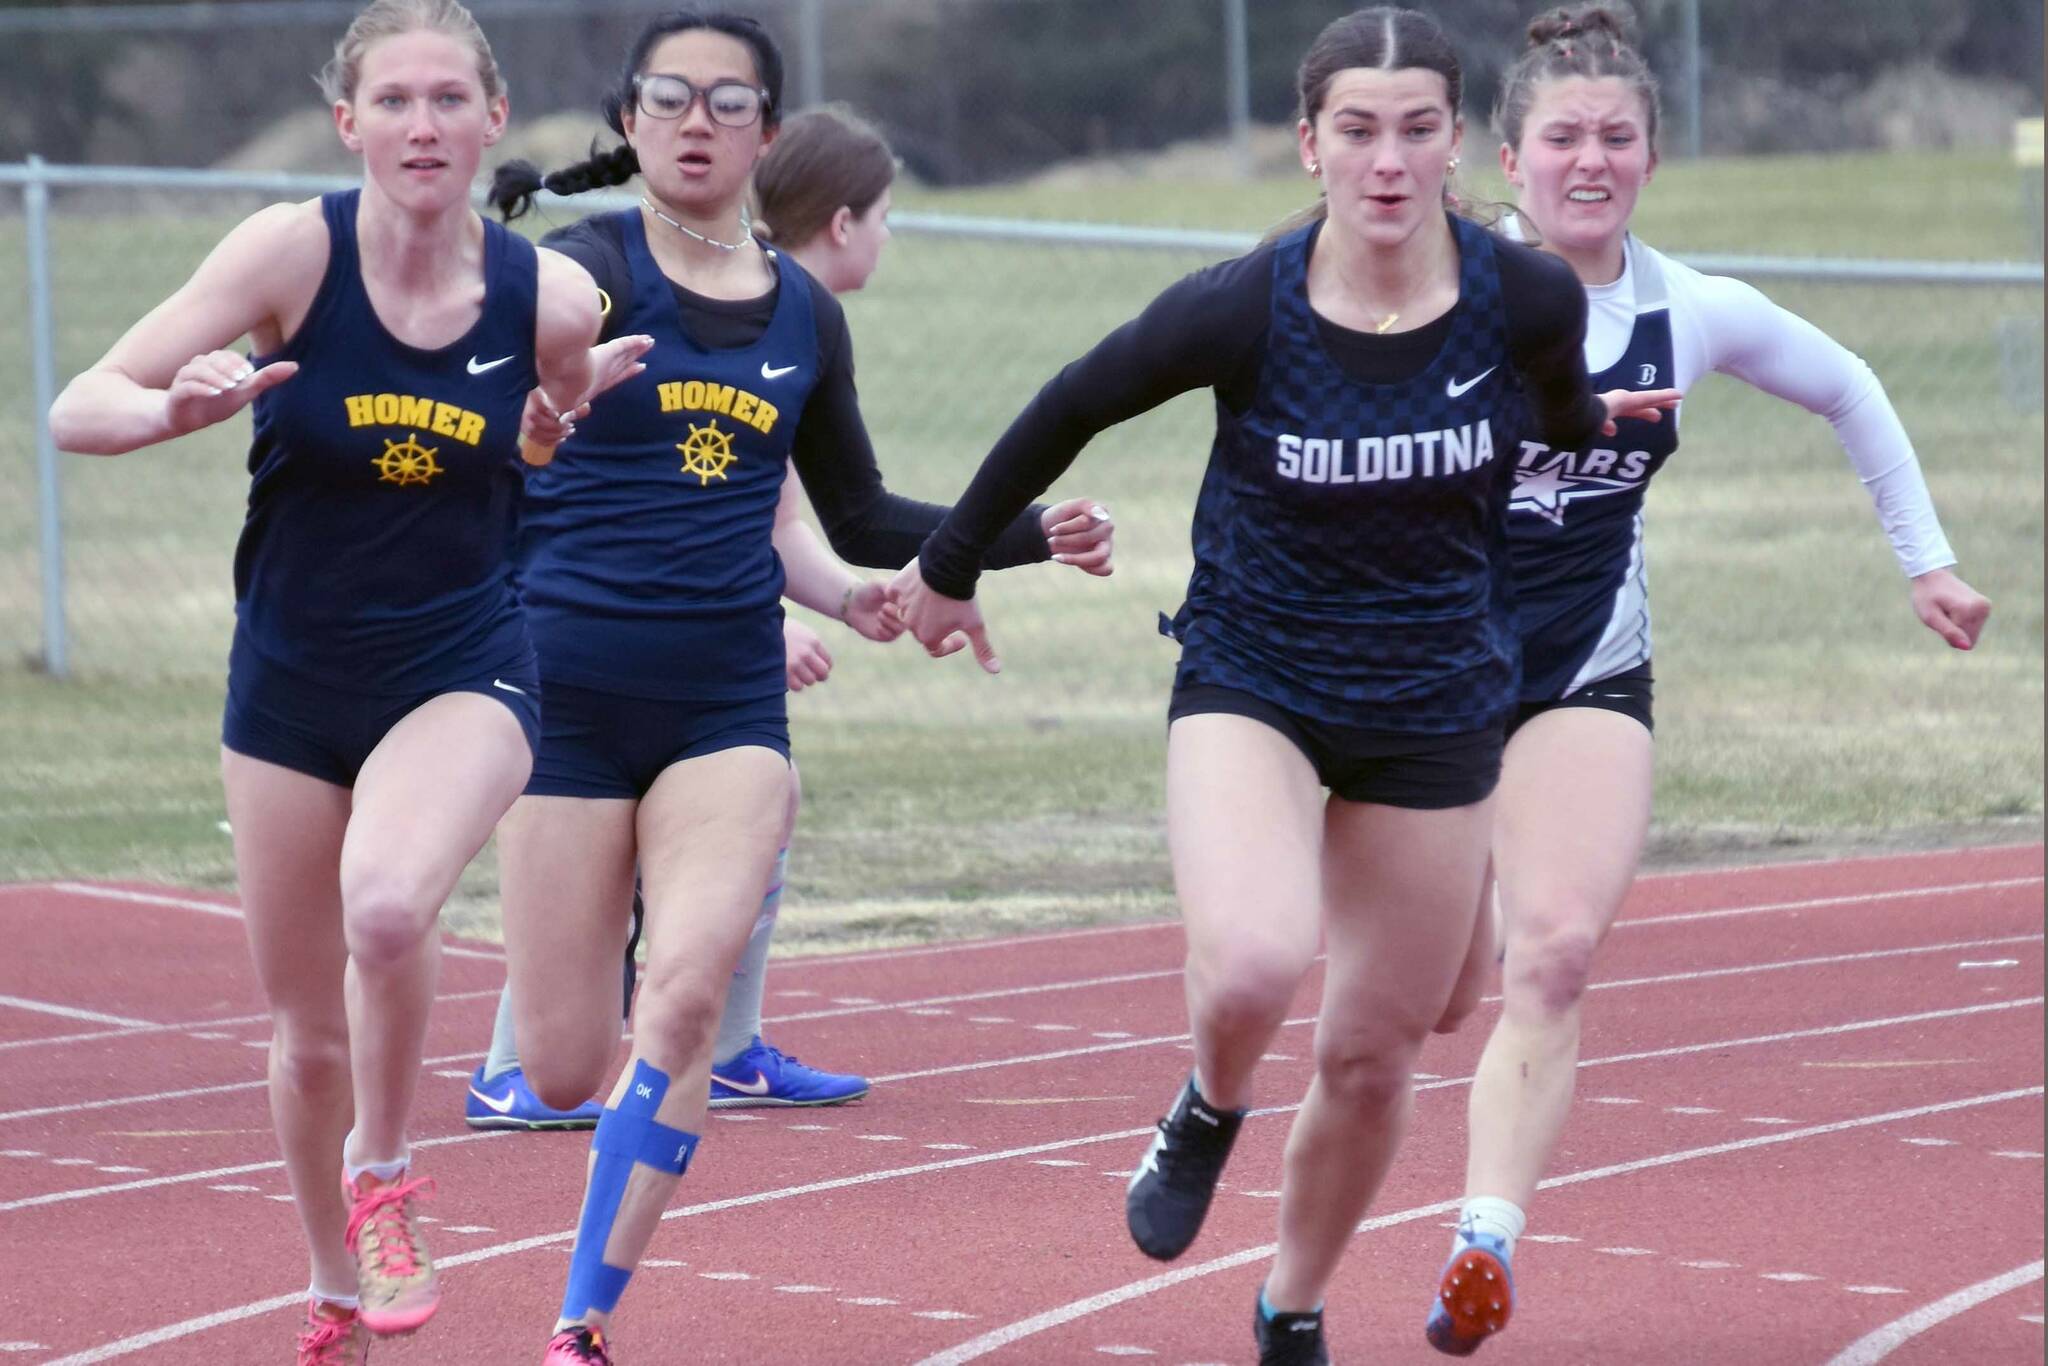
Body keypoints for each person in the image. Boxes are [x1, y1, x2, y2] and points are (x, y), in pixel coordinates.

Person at [889, 9, 1677, 1362]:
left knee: (1381, 1052)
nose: (1387, 162)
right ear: (1310, 143)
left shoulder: (1524, 296)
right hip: (1257, 679)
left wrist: (1603, 439)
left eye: (1417, 128)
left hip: (1436, 706)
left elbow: (1560, 408)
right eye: (1358, 131)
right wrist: (951, 564)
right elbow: (1071, 400)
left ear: (1452, 144)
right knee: (1256, 957)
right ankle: (1206, 1101)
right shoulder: (1246, 305)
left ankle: (1291, 1304)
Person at [482, 15, 1114, 1363]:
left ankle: (580, 1320)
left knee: (691, 987)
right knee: (557, 1064)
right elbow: (476, 455)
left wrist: (1019, 534)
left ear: (766, 135)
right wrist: (536, 417)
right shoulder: (572, 275)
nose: (697, 119)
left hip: (724, 704)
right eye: (671, 97)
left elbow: (865, 506)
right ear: (635, 121)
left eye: (728, 101)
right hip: (567, 699)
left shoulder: (804, 313)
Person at [44, 2, 650, 1362]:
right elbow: (77, 403)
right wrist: (173, 411)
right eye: (393, 102)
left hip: (463, 660)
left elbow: (536, 451)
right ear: (348, 123)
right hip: (291, 677)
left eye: (449, 101)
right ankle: (331, 1284)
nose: (422, 126)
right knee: (306, 1030)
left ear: (497, 118)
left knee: (388, 905)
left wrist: (555, 422)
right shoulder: (287, 255)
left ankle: (387, 1178)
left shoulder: (547, 296)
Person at [1419, 5, 1991, 1356]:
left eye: (1618, 136)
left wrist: (1929, 563)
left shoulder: (1691, 312)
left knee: (1549, 954)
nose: (1593, 160)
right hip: (1425, 675)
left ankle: (1483, 1237)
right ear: (1511, 159)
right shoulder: (1444, 290)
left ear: (1652, 158)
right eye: (1564, 137)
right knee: (1425, 996)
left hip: (1582, 669)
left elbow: (1852, 387)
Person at [461, 105, 930, 1132]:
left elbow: (777, 519)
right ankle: (522, 1060)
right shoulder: (675, 296)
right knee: (608, 834)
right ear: (843, 222)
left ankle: (717, 1042)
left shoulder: (789, 323)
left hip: (696, 664)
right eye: (886, 217)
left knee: (748, 809)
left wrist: (849, 597)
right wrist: (766, 623)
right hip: (582, 644)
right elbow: (652, 520)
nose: (889, 238)